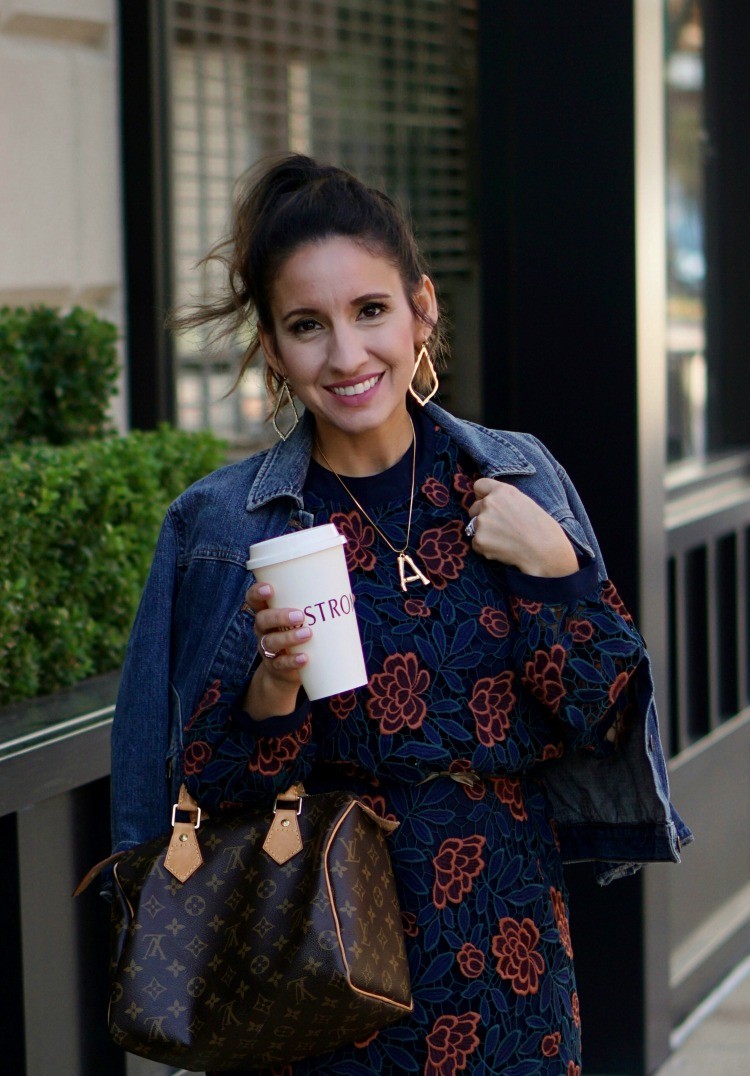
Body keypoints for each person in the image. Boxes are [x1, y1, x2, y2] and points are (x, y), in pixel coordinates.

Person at [110, 154, 691, 1074]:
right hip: (326, 962)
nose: (345, 356)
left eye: (370, 311)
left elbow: (603, 711)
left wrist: (555, 572)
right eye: (308, 326)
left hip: (513, 943)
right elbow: (198, 801)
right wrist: (272, 691)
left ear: (420, 309)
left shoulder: (514, 477)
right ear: (271, 346)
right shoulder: (222, 528)